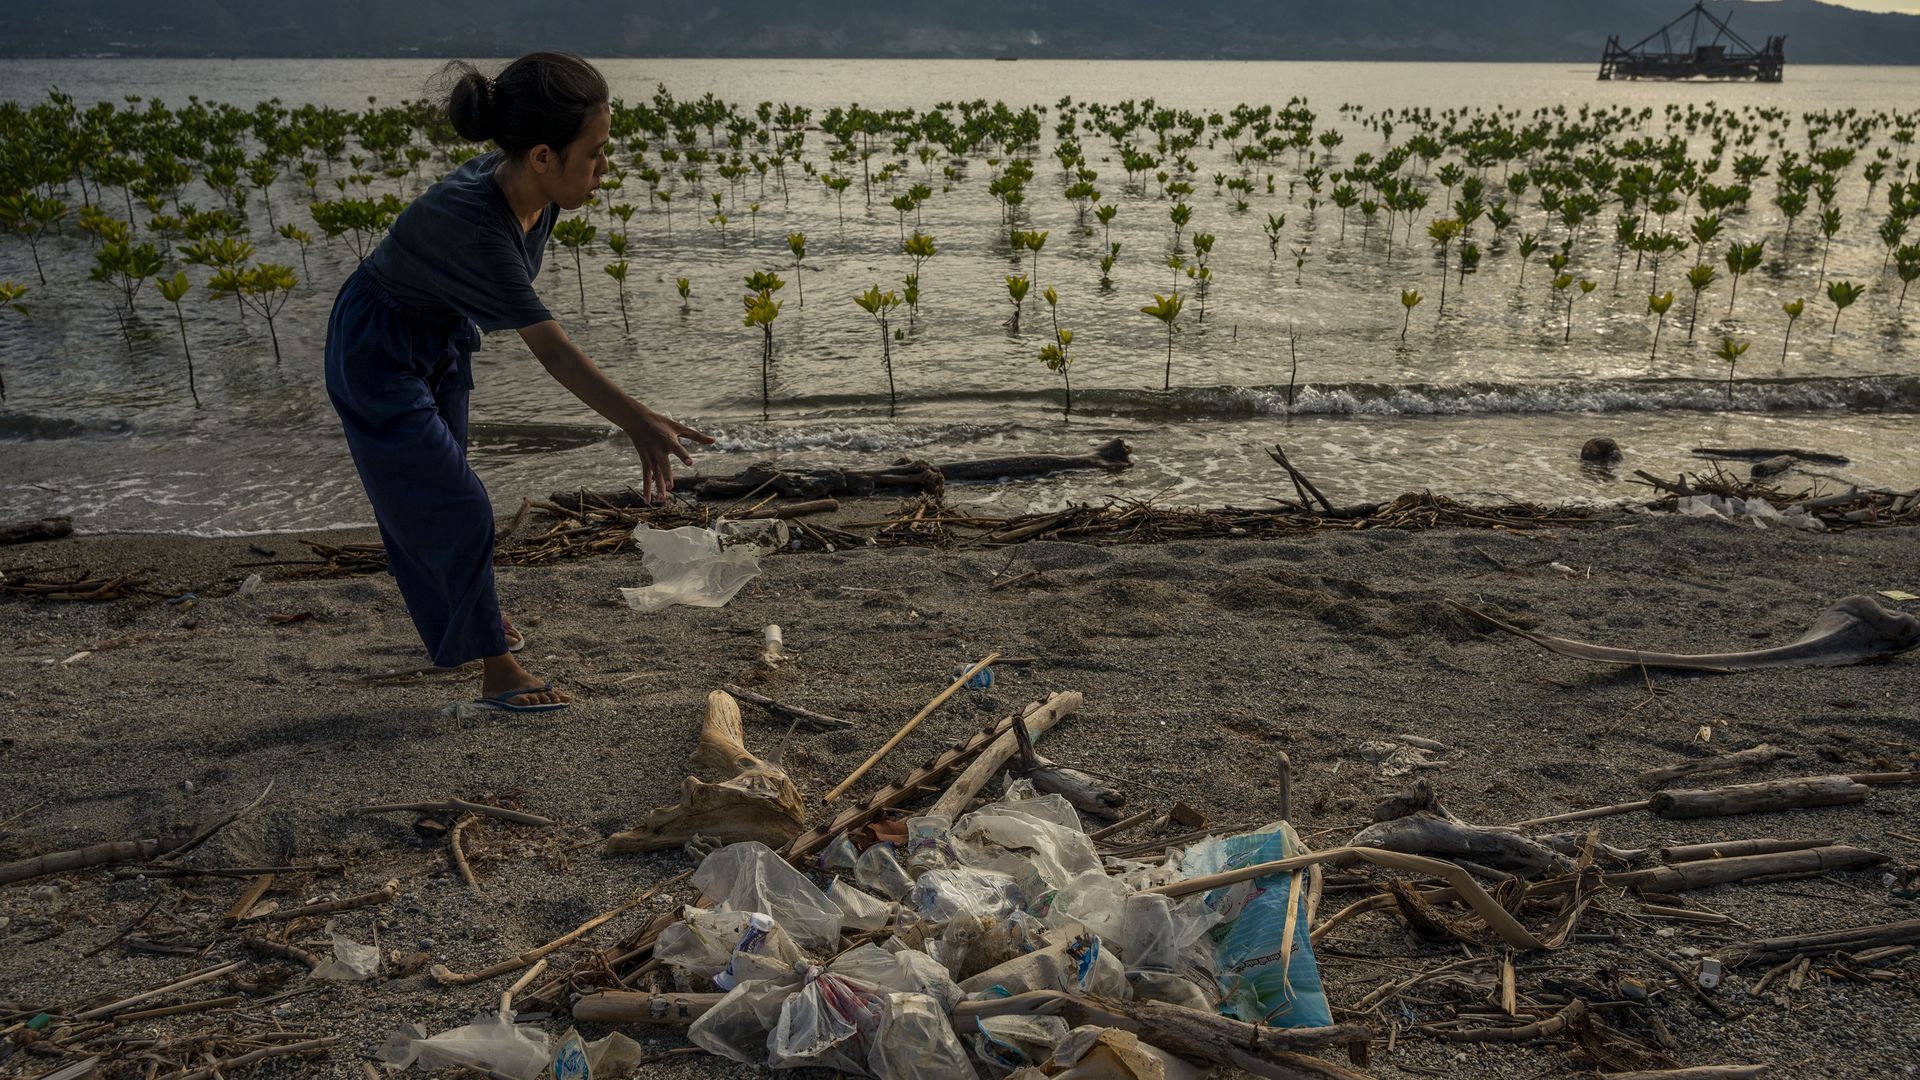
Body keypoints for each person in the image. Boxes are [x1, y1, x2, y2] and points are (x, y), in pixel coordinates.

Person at [325, 52, 710, 713]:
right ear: (540, 157)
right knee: (460, 506)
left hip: (438, 340)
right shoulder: (480, 224)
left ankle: (465, 620)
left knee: (434, 503)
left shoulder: (539, 197)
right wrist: (638, 421)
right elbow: (553, 353)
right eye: (593, 154)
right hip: (376, 351)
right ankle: (498, 673)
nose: (604, 168)